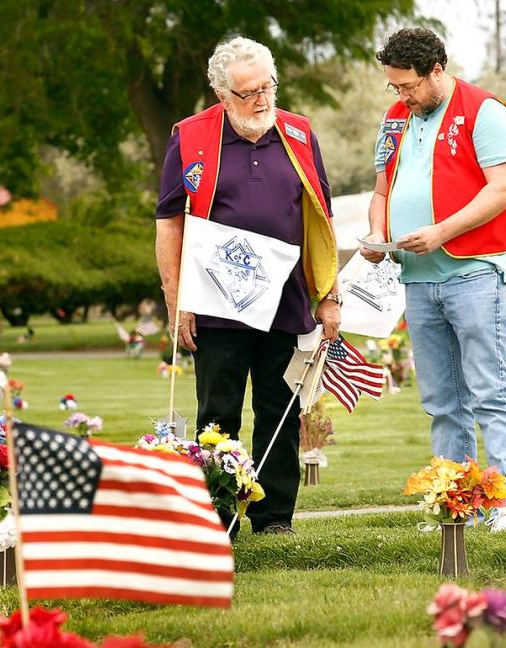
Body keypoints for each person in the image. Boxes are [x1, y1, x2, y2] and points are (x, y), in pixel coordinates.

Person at [155, 36, 341, 535]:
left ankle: (274, 515)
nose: (262, 100)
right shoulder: (190, 137)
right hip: (216, 303)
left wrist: (329, 296)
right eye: (248, 92)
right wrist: (178, 301)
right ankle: (216, 517)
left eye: (268, 87)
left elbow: (320, 217)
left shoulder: (299, 133)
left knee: (278, 408)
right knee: (217, 412)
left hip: (286, 299)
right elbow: (169, 221)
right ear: (221, 93)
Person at [360, 27, 506, 531]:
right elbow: (381, 191)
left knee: (488, 390)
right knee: (441, 401)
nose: (402, 96)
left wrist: (441, 231)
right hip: (418, 279)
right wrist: (377, 232)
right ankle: (457, 504)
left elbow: (504, 189)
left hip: (474, 271)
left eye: (408, 86)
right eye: (394, 87)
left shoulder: (486, 112)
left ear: (437, 69)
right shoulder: (395, 118)